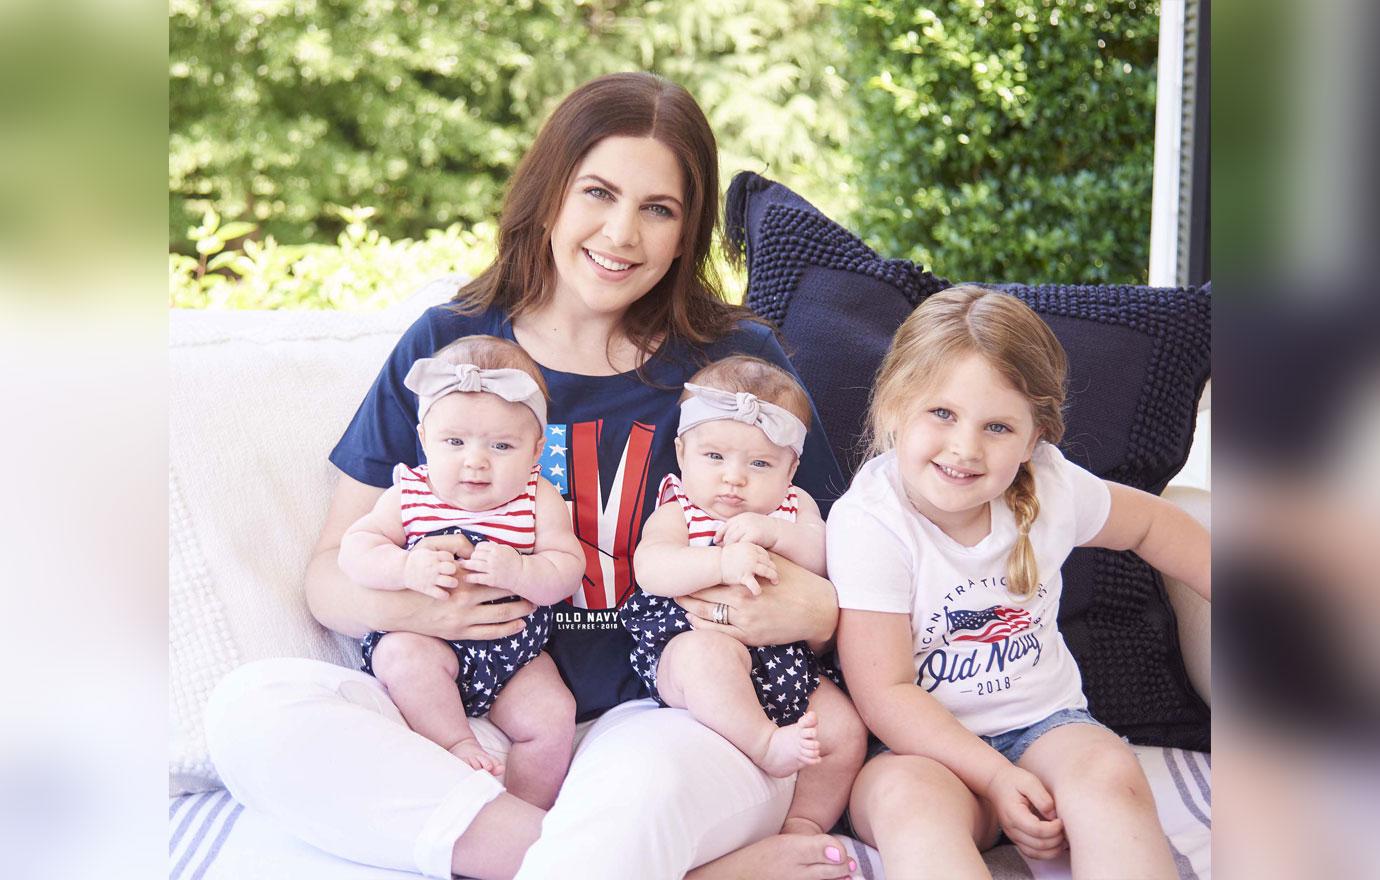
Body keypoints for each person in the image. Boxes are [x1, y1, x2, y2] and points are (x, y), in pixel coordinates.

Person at [205, 72, 861, 880]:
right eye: (599, 192)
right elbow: (328, 575)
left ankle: (607, 852)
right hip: (470, 719)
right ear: (549, 192)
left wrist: (819, 607)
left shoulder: (739, 363)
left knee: (639, 788)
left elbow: (859, 581)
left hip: (675, 717)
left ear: (687, 231)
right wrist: (425, 605)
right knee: (255, 713)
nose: (622, 234)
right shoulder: (450, 346)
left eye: (659, 209)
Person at [830, 285, 1211, 880]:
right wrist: (995, 777)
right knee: (908, 804)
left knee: (1109, 772)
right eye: (942, 413)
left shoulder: (1051, 488)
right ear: (894, 408)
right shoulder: (871, 523)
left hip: (1045, 730)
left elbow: (1155, 526)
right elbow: (885, 693)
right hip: (917, 751)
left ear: (1035, 438)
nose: (965, 448)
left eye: (998, 427)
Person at [621, 355, 866, 840]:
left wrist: (775, 533)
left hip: (789, 663)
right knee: (707, 656)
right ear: (682, 453)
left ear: (791, 467)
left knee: (843, 729)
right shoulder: (678, 509)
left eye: (759, 464)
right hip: (690, 647)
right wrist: (718, 563)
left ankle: (805, 822)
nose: (734, 478)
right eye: (714, 458)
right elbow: (651, 569)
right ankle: (764, 743)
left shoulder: (796, 508)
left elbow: (823, 559)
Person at [337, 335, 583, 807]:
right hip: (427, 640)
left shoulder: (537, 498)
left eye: (501, 445)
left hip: (514, 654)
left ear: (536, 451)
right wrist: (406, 567)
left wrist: (520, 570)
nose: (476, 460)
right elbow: (355, 549)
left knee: (555, 712)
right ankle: (455, 745)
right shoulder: (410, 494)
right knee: (402, 658)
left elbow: (567, 570)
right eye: (454, 441)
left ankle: (527, 812)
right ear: (425, 438)